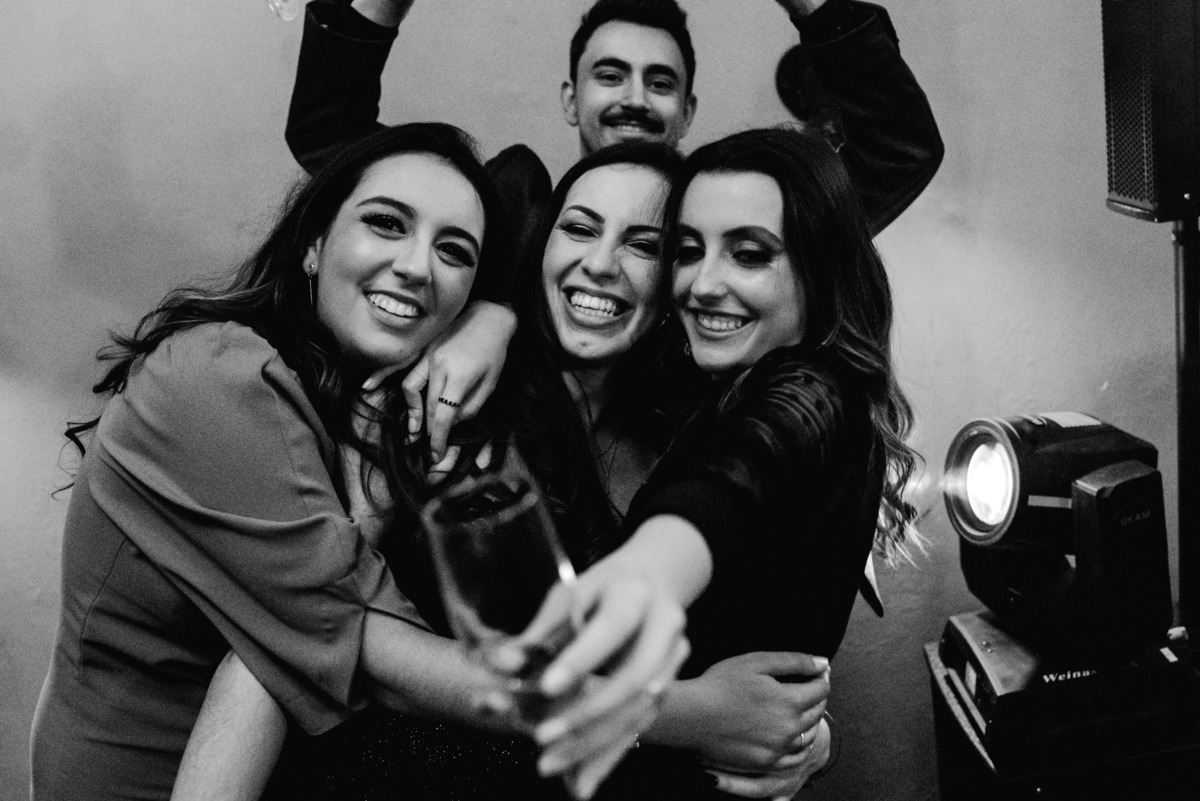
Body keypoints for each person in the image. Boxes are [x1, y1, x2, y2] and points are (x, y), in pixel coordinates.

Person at [30, 121, 679, 801]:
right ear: (313, 244)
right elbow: (366, 647)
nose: (417, 266)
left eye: (453, 251)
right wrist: (686, 716)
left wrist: (496, 317)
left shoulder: (362, 403)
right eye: (386, 223)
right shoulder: (216, 375)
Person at [289, 0, 943, 464]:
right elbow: (330, 134)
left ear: (687, 110)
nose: (634, 98)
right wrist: (496, 309)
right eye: (610, 75)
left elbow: (898, 150)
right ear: (571, 99)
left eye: (660, 82)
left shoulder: (739, 234)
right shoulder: (512, 207)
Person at [512, 123, 922, 799]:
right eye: (687, 251)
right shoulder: (682, 394)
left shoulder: (814, 390)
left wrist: (648, 574)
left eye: (750, 255)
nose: (703, 284)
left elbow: (743, 468)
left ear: (820, 266)